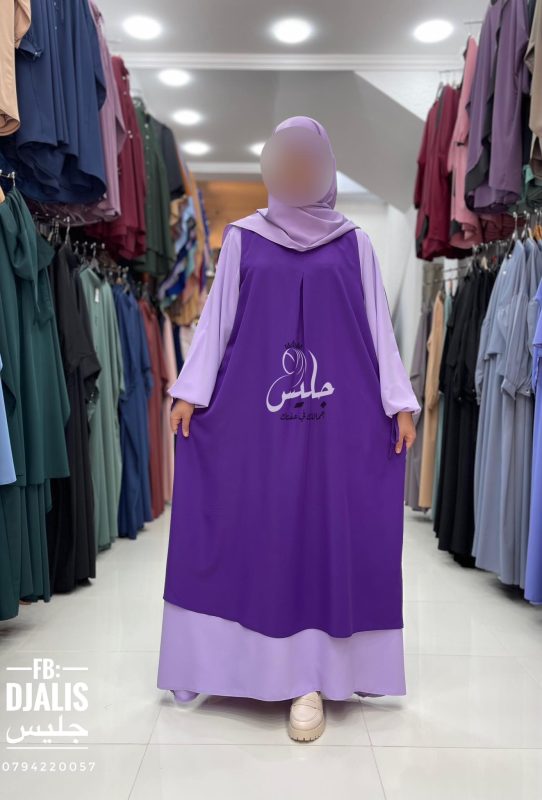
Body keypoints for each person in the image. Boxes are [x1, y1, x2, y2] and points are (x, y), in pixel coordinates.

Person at [157, 115, 420, 743]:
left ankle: (311, 677)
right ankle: (233, 664)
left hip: (339, 418)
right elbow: (217, 322)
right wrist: (190, 393)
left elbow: (378, 331)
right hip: (255, 416)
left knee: (322, 536)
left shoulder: (355, 243)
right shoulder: (244, 239)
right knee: (260, 529)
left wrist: (399, 401)